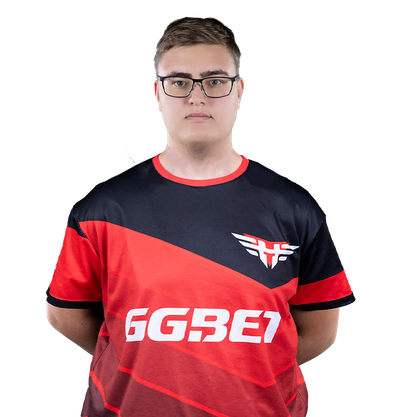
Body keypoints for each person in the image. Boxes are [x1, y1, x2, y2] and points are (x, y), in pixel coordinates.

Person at [45, 16, 356, 416]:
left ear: (239, 90)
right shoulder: (102, 209)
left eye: (214, 80)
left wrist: (244, 369)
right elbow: (66, 314)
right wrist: (134, 358)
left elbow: (321, 331)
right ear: (157, 92)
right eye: (179, 82)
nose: (197, 97)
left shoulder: (294, 209)